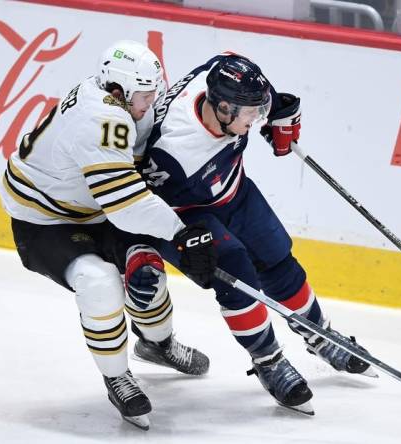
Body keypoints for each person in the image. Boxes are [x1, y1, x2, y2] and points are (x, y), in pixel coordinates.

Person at [138, 53, 376, 415]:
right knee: (237, 276)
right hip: (188, 214)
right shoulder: (170, 151)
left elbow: (242, 74)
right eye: (251, 114)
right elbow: (145, 204)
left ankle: (319, 335)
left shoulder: (219, 77)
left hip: (235, 191)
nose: (256, 119)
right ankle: (268, 361)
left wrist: (275, 109)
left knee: (278, 257)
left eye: (257, 110)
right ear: (221, 108)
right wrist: (179, 242)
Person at [0, 40, 218, 430]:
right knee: (99, 283)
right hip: (43, 219)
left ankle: (157, 344)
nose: (150, 102)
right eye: (145, 95)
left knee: (146, 269)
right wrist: (181, 232)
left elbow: (125, 187)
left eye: (153, 93)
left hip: (92, 209)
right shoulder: (102, 117)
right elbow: (125, 203)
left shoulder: (123, 100)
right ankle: (117, 376)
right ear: (119, 91)